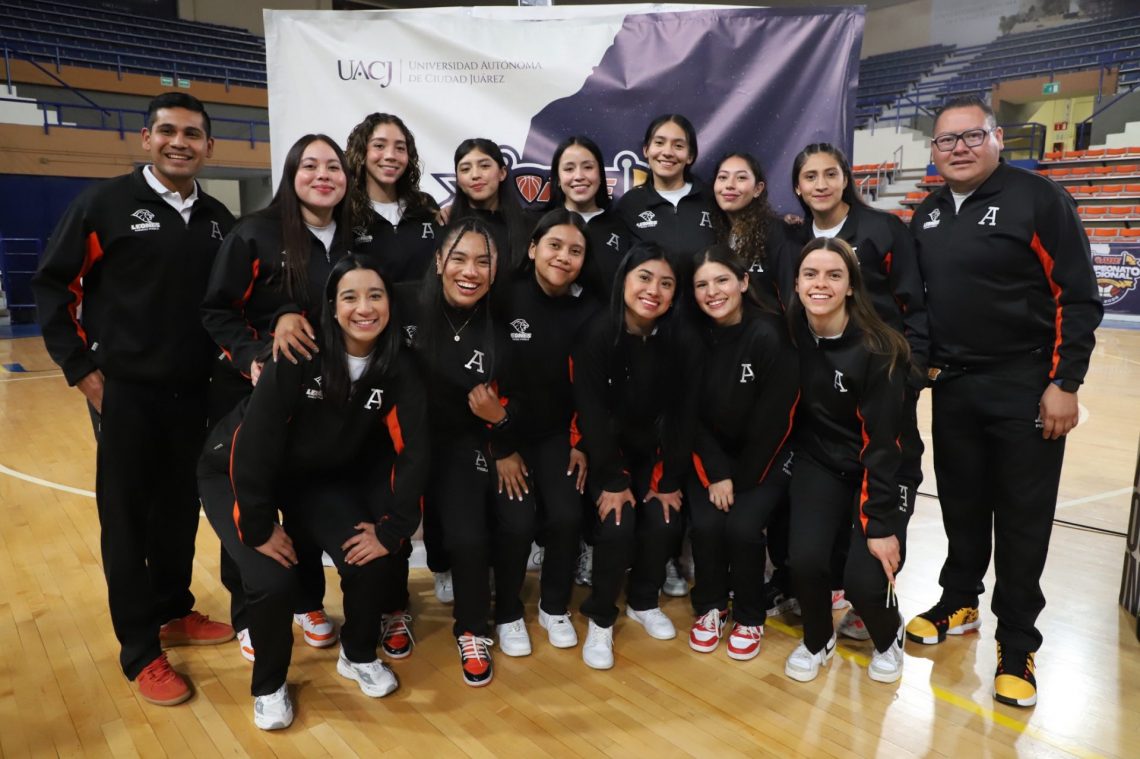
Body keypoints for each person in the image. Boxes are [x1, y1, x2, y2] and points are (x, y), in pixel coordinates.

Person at [31, 92, 236, 706]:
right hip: (125, 395)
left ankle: (173, 609)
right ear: (146, 138)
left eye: (192, 134)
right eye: (168, 131)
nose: (180, 142)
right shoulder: (103, 205)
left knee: (178, 508)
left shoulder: (218, 218)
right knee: (127, 519)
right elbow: (53, 288)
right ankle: (140, 650)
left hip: (193, 394)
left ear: (209, 146)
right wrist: (85, 374)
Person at [906, 95, 1103, 707]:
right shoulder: (928, 213)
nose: (959, 148)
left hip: (1026, 385)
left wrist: (1065, 382)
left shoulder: (1038, 199)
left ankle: (1017, 641)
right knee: (961, 504)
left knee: (1022, 518)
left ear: (997, 138)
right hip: (955, 386)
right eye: (946, 140)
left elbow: (1078, 296)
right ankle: (959, 599)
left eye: (972, 136)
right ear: (933, 152)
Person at [198, 254, 428, 730]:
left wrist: (393, 529)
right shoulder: (299, 355)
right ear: (332, 307)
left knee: (371, 557)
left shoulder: (398, 366)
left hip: (312, 476)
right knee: (272, 580)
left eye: (375, 296)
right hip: (233, 469)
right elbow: (253, 446)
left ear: (390, 304)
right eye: (350, 297)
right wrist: (259, 527)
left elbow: (414, 451)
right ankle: (269, 685)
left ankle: (357, 654)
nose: (364, 308)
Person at [202, 133, 351, 655]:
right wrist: (252, 355)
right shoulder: (254, 232)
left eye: (333, 166)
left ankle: (308, 601)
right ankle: (248, 612)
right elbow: (217, 309)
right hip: (252, 395)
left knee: (302, 500)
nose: (322, 175)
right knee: (249, 497)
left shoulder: (353, 239)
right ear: (291, 174)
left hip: (320, 399)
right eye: (310, 165)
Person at [789, 142, 930, 640]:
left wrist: (910, 376)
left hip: (881, 380)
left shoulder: (883, 229)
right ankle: (827, 592)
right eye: (810, 176)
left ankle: (869, 598)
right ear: (798, 186)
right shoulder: (794, 238)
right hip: (827, 409)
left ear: (846, 179)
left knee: (879, 489)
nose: (821, 184)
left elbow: (914, 307)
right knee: (814, 536)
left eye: (831, 174)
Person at [783, 236, 911, 685]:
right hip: (820, 462)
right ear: (796, 284)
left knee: (864, 581)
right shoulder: (790, 334)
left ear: (851, 286)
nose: (821, 284)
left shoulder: (879, 348)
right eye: (810, 274)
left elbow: (883, 445)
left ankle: (889, 637)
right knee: (805, 561)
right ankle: (817, 639)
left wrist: (880, 524)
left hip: (881, 466)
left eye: (833, 275)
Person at [572, 242, 694, 669]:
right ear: (624, 279)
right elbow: (591, 413)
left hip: (653, 455)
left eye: (666, 284)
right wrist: (613, 480)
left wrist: (668, 480)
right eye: (644, 278)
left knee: (665, 518)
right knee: (618, 523)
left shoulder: (680, 341)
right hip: (606, 454)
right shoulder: (597, 334)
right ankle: (601, 617)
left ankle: (644, 600)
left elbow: (682, 417)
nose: (653, 291)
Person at [404, 217, 511, 686]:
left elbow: (518, 401)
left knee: (470, 536)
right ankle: (392, 609)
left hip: (461, 441)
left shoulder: (500, 325)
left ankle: (472, 630)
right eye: (459, 258)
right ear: (438, 261)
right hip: (398, 438)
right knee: (388, 528)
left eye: (482, 262)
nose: (470, 271)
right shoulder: (402, 300)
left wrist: (499, 421)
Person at [490, 209, 600, 654]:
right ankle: (507, 611)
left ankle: (554, 606)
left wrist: (581, 442)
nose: (563, 257)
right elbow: (482, 377)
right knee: (517, 522)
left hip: (558, 435)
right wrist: (500, 448)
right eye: (554, 245)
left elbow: (592, 388)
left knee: (567, 516)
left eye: (575, 251)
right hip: (505, 435)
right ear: (533, 248)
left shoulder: (590, 309)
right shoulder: (503, 296)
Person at [686, 245, 798, 660]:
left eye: (722, 280)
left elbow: (776, 421)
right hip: (713, 455)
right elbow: (688, 413)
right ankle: (711, 606)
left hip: (768, 455)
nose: (712, 292)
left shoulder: (769, 333)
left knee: (742, 527)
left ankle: (750, 616)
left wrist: (740, 482)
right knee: (706, 525)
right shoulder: (692, 335)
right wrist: (717, 472)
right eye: (702, 285)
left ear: (744, 282)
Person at [345, 112, 441, 283]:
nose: (391, 155)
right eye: (379, 146)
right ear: (361, 153)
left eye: (400, 148)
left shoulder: (425, 205)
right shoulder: (346, 212)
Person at [615, 114, 718, 265]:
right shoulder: (630, 204)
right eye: (659, 143)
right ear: (646, 150)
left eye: (678, 146)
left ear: (690, 156)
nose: (668, 152)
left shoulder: (711, 199)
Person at [546, 135, 632, 287]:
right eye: (569, 169)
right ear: (558, 178)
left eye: (588, 167)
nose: (579, 176)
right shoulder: (538, 221)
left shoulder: (621, 226)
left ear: (600, 175)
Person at [711, 152, 789, 311]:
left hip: (769, 324)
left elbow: (790, 293)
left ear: (758, 189)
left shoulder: (776, 231)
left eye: (741, 178)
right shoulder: (712, 230)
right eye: (723, 177)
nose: (729, 185)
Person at [446, 138, 534, 273]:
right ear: (457, 180)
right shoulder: (445, 223)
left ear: (502, 173)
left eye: (484, 166)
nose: (475, 175)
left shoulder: (529, 226)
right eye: (465, 169)